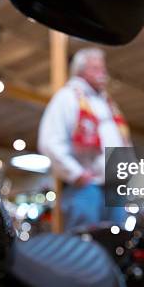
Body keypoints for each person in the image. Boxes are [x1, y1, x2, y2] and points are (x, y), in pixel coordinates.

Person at [38, 48, 130, 232]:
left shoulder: (108, 104)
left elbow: (123, 140)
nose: (103, 73)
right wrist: (76, 173)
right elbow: (50, 141)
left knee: (115, 244)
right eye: (95, 68)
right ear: (80, 71)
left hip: (116, 185)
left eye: (103, 68)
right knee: (85, 245)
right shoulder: (68, 97)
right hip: (87, 187)